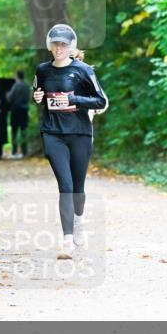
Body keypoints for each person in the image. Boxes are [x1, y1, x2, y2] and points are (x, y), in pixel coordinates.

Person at [33, 24, 107, 259]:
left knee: (77, 188)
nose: (59, 48)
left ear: (70, 46)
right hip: (53, 133)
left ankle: (79, 220)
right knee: (64, 186)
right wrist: (37, 97)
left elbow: (101, 101)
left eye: (63, 45)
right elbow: (39, 93)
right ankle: (66, 241)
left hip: (79, 134)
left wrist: (75, 99)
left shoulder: (83, 71)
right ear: (50, 45)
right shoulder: (43, 69)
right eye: (55, 44)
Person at [6, 71, 31, 158]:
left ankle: (14, 152)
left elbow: (10, 97)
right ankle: (24, 151)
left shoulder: (16, 85)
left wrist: (7, 94)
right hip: (25, 110)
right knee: (24, 131)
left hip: (15, 111)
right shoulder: (27, 86)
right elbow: (29, 98)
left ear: (17, 76)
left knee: (14, 131)